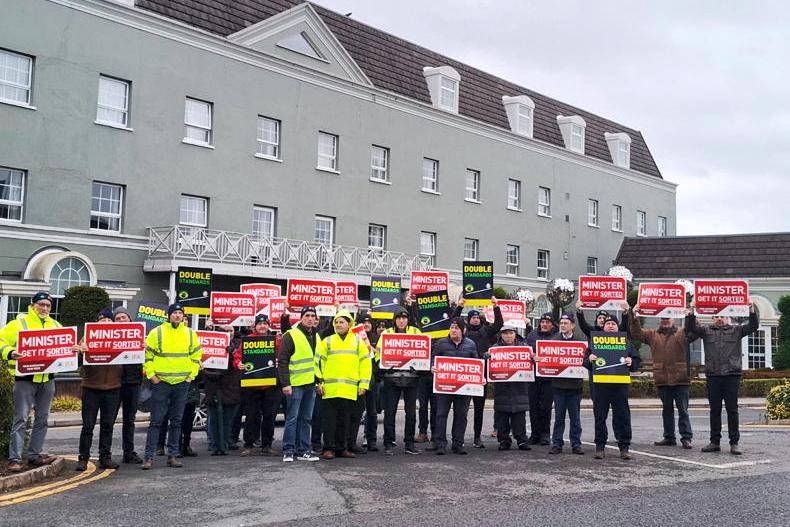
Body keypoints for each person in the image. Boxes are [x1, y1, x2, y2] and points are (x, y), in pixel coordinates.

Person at [0, 291, 66, 473]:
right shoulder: (18, 323)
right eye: (41, 304)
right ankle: (14, 459)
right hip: (25, 379)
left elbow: (65, 346)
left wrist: (75, 349)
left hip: (47, 379)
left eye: (48, 305)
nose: (44, 308)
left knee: (42, 419)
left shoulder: (55, 325)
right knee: (20, 419)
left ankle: (34, 456)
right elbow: (1, 341)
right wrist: (10, 352)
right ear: (32, 305)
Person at [685, 300, 759, 455]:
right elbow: (691, 328)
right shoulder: (706, 331)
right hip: (713, 376)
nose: (720, 319)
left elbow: (753, 326)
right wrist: (691, 311)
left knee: (732, 410)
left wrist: (751, 308)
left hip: (732, 375)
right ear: (713, 318)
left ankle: (734, 443)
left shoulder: (737, 330)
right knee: (715, 410)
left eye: (723, 316)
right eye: (717, 316)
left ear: (728, 318)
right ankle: (715, 442)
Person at [141, 303, 202, 470]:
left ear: (183, 316)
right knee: (156, 421)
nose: (177, 315)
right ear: (169, 315)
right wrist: (152, 376)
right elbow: (148, 356)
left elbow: (196, 356)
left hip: (181, 383)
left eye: (180, 313)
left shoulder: (190, 333)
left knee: (176, 421)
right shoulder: (157, 332)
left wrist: (191, 376)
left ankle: (172, 456)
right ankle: (149, 457)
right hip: (162, 383)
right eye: (174, 312)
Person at [630, 305, 693, 449]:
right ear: (659, 319)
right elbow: (636, 333)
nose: (665, 320)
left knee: (683, 410)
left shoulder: (682, 332)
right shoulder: (652, 334)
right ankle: (669, 437)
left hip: (680, 378)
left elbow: (692, 329)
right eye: (663, 318)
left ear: (673, 319)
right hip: (663, 378)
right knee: (667, 410)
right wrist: (635, 316)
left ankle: (686, 437)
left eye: (667, 318)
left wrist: (690, 315)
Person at [314, 310, 371, 460]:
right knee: (329, 421)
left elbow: (365, 363)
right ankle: (328, 448)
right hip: (330, 389)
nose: (338, 325)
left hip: (349, 389)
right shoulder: (327, 341)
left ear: (349, 324)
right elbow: (318, 362)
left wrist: (364, 384)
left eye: (342, 322)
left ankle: (342, 448)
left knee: (345, 421)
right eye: (336, 322)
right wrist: (319, 382)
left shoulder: (358, 342)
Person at [584, 315, 641, 460]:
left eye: (613, 324)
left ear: (617, 327)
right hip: (600, 385)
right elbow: (585, 362)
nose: (610, 326)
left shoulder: (626, 342)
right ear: (603, 327)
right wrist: (589, 359)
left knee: (622, 416)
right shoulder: (595, 341)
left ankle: (624, 447)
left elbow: (636, 360)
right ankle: (600, 447)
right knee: (600, 416)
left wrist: (631, 361)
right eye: (608, 323)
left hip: (619, 384)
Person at [75, 308, 123, 471]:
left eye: (109, 320)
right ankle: (83, 458)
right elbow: (76, 363)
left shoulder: (121, 338)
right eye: (103, 320)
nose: (106, 323)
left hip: (113, 388)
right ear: (97, 322)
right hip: (91, 388)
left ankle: (105, 457)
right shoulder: (86, 337)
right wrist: (80, 352)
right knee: (88, 426)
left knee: (107, 425)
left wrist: (141, 347)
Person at [453, 297, 503, 448]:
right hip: (465, 375)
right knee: (461, 409)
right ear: (468, 320)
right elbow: (453, 321)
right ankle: (458, 438)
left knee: (479, 409)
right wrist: (459, 306)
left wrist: (496, 307)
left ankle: (477, 437)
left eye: (477, 317)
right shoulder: (463, 332)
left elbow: (499, 324)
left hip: (481, 376)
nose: (475, 319)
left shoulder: (486, 330)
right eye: (473, 317)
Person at [377, 308, 423, 456]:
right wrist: (384, 366)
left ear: (408, 319)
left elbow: (423, 352)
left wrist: (419, 367)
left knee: (411, 414)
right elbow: (378, 354)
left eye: (404, 318)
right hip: (392, 379)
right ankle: (388, 443)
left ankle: (409, 443)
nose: (401, 321)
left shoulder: (416, 332)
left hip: (411, 379)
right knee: (390, 413)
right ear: (394, 320)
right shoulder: (387, 333)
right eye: (398, 318)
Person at [278, 306, 321, 462]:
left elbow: (317, 362)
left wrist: (319, 381)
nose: (310, 318)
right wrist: (285, 383)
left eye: (313, 316)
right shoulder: (291, 335)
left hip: (310, 384)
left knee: (306, 419)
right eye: (307, 315)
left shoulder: (316, 336)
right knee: (292, 418)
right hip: (295, 384)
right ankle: (288, 450)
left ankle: (303, 450)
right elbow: (282, 361)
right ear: (301, 317)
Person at [236, 314, 282, 457]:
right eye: (260, 324)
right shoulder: (248, 340)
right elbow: (237, 357)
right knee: (251, 416)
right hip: (252, 385)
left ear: (269, 325)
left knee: (269, 416)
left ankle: (267, 446)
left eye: (265, 324)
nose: (262, 326)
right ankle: (249, 445)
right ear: (255, 326)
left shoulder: (276, 341)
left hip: (270, 385)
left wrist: (278, 361)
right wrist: (238, 363)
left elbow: (283, 356)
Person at [432, 317, 479, 455]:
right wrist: (432, 367)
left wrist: (479, 377)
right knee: (441, 415)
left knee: (461, 415)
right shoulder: (441, 343)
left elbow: (476, 362)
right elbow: (432, 358)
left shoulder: (470, 344)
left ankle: (458, 444)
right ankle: (440, 444)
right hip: (444, 387)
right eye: (452, 327)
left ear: (463, 330)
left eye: (456, 328)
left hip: (463, 388)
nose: (453, 330)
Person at [490, 322, 531, 451]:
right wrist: (487, 358)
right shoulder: (494, 349)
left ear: (515, 334)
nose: (508, 336)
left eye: (511, 333)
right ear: (501, 335)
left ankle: (522, 440)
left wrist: (533, 358)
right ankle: (503, 440)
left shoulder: (524, 348)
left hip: (519, 388)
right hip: (502, 389)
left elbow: (532, 364)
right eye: (505, 333)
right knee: (502, 417)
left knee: (519, 417)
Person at [549, 313, 584, 455]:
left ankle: (576, 444)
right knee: (559, 417)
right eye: (561, 323)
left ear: (573, 325)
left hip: (575, 387)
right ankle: (557, 444)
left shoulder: (581, 341)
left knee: (575, 418)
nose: (563, 325)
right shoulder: (554, 340)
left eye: (566, 323)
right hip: (558, 386)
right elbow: (547, 358)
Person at [204, 324, 242, 456]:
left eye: (231, 330)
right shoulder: (211, 343)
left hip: (230, 387)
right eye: (224, 330)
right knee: (214, 419)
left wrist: (231, 354)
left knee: (227, 419)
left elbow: (236, 367)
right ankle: (214, 445)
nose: (228, 333)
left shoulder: (238, 345)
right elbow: (205, 367)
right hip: (214, 386)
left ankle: (225, 444)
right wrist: (214, 375)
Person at [113, 306, 144, 464]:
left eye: (123, 317)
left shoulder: (139, 335)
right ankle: (105, 454)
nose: (121, 320)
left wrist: (146, 348)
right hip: (114, 383)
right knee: (109, 420)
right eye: (117, 318)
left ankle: (129, 452)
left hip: (133, 382)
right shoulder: (110, 337)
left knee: (129, 420)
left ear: (129, 319)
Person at [525, 313, 557, 445]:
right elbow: (525, 351)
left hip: (549, 378)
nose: (544, 324)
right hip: (533, 377)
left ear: (552, 325)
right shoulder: (532, 335)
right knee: (533, 407)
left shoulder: (557, 336)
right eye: (542, 322)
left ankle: (545, 434)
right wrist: (532, 356)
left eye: (547, 322)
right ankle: (534, 434)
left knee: (545, 407)